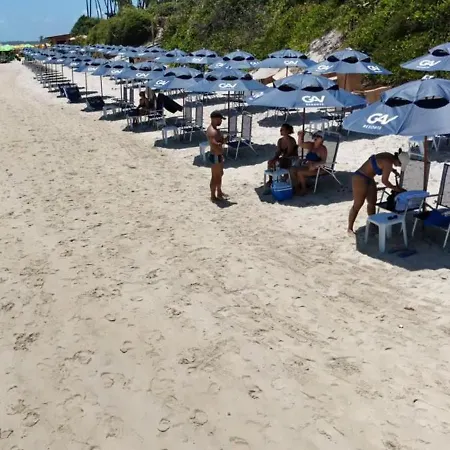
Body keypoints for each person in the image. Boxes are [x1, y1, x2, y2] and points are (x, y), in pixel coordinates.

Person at [347, 150, 408, 234]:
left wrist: (393, 170)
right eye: (400, 164)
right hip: (360, 177)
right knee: (358, 204)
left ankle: (373, 223)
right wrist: (395, 188)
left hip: (369, 178)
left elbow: (380, 163)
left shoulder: (389, 156)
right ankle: (350, 228)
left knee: (372, 202)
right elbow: (385, 181)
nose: (399, 166)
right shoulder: (388, 163)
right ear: (398, 160)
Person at [290, 130, 328, 195]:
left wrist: (315, 164)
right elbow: (300, 144)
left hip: (317, 169)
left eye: (318, 136)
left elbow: (323, 161)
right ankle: (297, 187)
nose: (316, 137)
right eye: (315, 136)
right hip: (307, 166)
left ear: (322, 139)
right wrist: (300, 136)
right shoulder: (311, 145)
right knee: (292, 169)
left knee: (299, 172)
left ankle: (304, 189)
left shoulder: (322, 149)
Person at [207, 111, 227, 202]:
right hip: (215, 156)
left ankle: (219, 192)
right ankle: (212, 196)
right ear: (214, 119)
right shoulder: (212, 131)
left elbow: (219, 142)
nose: (221, 121)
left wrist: (223, 140)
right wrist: (220, 143)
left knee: (220, 174)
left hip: (218, 155)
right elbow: (214, 144)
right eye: (220, 119)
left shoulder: (216, 130)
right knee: (215, 177)